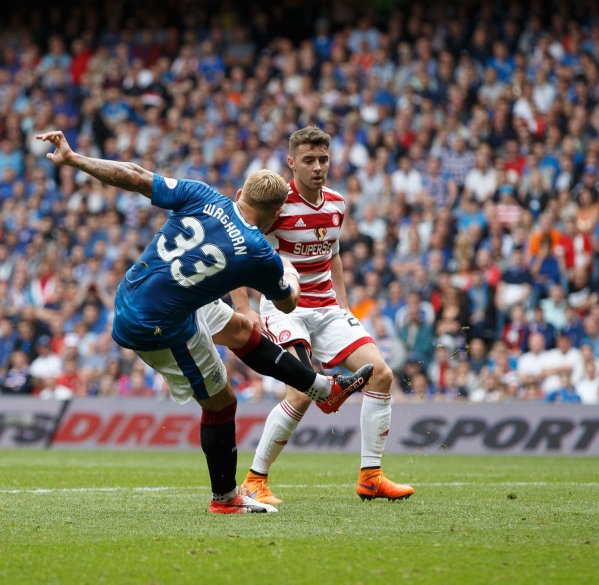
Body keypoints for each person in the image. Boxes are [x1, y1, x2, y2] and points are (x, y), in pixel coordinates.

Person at [36, 130, 373, 515]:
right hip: (157, 323)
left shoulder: (205, 195)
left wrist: (75, 158)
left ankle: (321, 389)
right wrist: (290, 271)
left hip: (136, 292)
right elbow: (287, 301)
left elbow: (133, 174)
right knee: (221, 403)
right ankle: (225, 499)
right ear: (275, 213)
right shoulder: (259, 252)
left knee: (244, 331)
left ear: (241, 193)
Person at [237, 126, 414, 504]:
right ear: (291, 162)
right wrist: (244, 306)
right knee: (301, 393)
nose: (318, 167)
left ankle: (371, 476)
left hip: (329, 308)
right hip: (286, 308)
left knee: (381, 374)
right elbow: (236, 248)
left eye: (323, 159)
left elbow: (332, 254)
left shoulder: (337, 204)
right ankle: (254, 480)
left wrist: (345, 306)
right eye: (309, 160)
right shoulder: (275, 204)